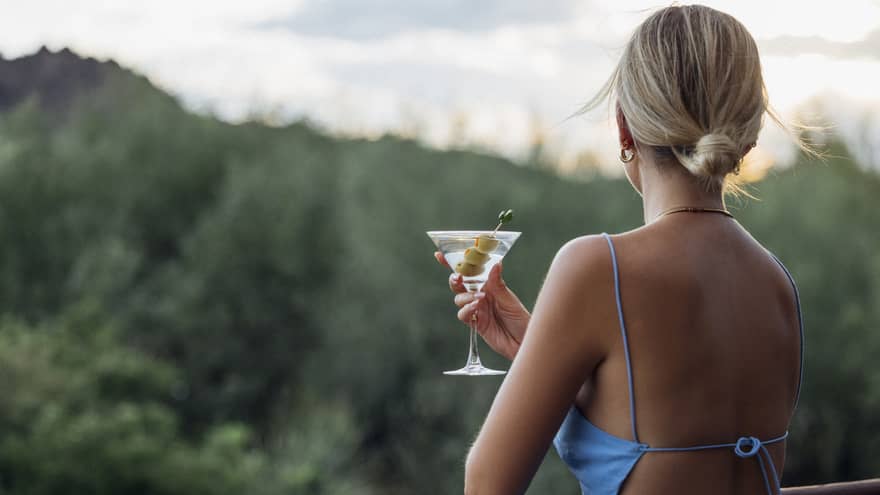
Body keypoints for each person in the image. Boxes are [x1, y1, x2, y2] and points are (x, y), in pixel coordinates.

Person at [434, 5, 805, 495]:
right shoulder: (779, 284)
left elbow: (486, 485)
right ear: (749, 133)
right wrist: (541, 351)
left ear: (624, 128)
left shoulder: (597, 268)